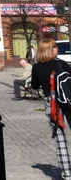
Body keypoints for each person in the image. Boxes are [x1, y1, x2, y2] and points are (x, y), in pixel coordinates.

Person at [31, 39, 71, 180]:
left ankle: (67, 174)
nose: (57, 49)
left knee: (60, 139)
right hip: (68, 101)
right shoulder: (61, 64)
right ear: (50, 49)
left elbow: (34, 86)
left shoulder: (36, 67)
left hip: (51, 102)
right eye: (55, 47)